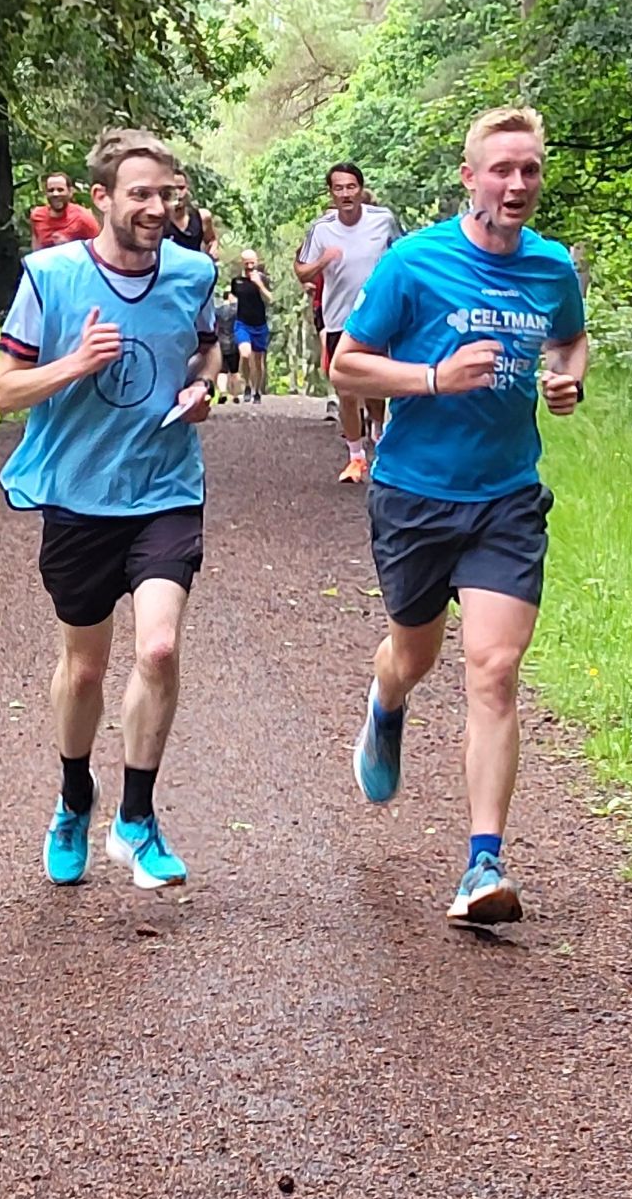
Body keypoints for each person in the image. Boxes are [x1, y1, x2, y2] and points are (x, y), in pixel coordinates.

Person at [330, 106, 588, 925]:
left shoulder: (552, 270)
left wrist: (565, 380)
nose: (517, 185)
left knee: (495, 669)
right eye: (502, 170)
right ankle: (386, 698)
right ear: (469, 176)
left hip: (507, 495)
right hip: (414, 494)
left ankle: (483, 865)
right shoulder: (415, 262)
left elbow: (570, 342)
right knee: (416, 652)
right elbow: (348, 368)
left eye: (531, 170)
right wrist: (436, 379)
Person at [0, 128, 221, 891]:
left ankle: (138, 817)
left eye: (168, 194)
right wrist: (75, 364)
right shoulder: (51, 276)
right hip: (77, 495)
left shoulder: (193, 272)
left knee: (157, 649)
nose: (158, 208)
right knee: (84, 669)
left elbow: (204, 348)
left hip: (164, 487)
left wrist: (200, 388)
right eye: (142, 195)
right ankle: (72, 798)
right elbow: (2, 392)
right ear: (102, 199)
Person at [294, 163, 400, 483]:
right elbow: (301, 271)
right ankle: (355, 458)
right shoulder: (322, 229)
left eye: (350, 187)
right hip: (339, 317)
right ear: (331, 193)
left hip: (378, 316)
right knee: (345, 389)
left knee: (374, 387)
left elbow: (403, 254)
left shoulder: (383, 221)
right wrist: (322, 262)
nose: (345, 194)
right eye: (338, 188)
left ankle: (378, 437)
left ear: (360, 189)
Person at [226, 248, 272, 403]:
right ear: (242, 263)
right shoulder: (237, 281)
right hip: (242, 323)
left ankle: (257, 390)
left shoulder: (263, 279)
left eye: (252, 262)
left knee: (258, 360)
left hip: (259, 324)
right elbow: (233, 296)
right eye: (246, 263)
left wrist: (259, 284)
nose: (249, 265)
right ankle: (246, 385)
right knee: (245, 354)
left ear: (256, 262)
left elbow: (270, 298)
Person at [29, 171, 99, 249]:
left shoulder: (83, 217)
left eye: (60, 190)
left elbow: (98, 248)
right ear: (46, 193)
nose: (55, 194)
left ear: (70, 192)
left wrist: (69, 245)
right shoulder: (37, 216)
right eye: (51, 190)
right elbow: (36, 244)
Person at [166, 170, 220, 263]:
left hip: (193, 274)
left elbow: (211, 240)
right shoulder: (159, 220)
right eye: (172, 189)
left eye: (181, 188)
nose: (177, 193)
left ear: (188, 189)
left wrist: (212, 251)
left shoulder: (202, 217)